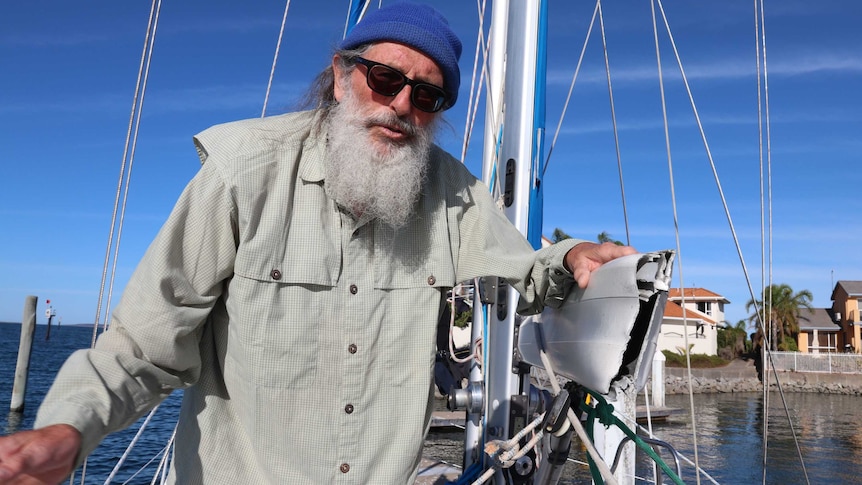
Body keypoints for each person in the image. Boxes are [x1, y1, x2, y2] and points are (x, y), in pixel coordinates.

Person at [0, 3, 636, 483]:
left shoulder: (452, 192)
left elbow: (521, 266)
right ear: (341, 76)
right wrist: (69, 429)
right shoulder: (241, 172)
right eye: (385, 79)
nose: (402, 105)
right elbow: (144, 346)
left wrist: (574, 256)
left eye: (427, 94)